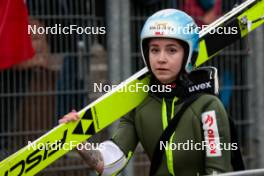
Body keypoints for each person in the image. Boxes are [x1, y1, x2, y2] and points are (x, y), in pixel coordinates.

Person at [59, 9, 233, 175]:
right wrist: (79, 141)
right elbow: (110, 164)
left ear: (189, 54)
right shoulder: (138, 105)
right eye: (154, 49)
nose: (161, 58)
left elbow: (217, 172)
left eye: (172, 50)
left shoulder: (208, 106)